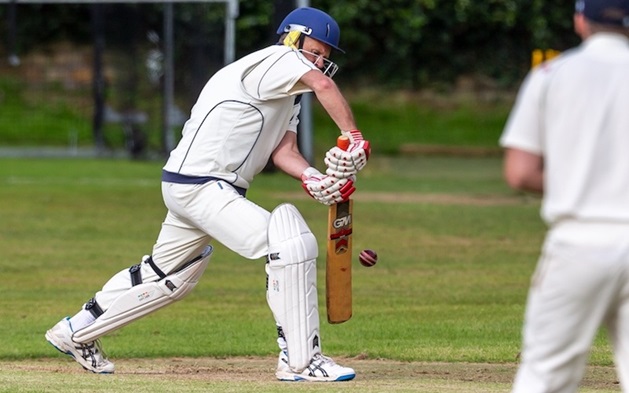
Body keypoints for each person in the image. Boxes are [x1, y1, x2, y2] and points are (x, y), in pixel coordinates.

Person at [45, 6, 370, 382]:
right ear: (293, 37)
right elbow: (324, 85)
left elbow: (283, 150)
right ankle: (301, 361)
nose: (322, 59)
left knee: (167, 276)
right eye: (317, 49)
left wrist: (313, 178)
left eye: (327, 55)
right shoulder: (279, 59)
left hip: (193, 185)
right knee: (290, 243)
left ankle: (75, 332)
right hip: (204, 186)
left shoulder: (289, 90)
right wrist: (355, 138)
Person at [499, 0, 629, 391]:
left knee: (545, 377)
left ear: (580, 20)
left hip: (578, 241)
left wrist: (579, 181)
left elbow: (520, 173)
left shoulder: (552, 74)